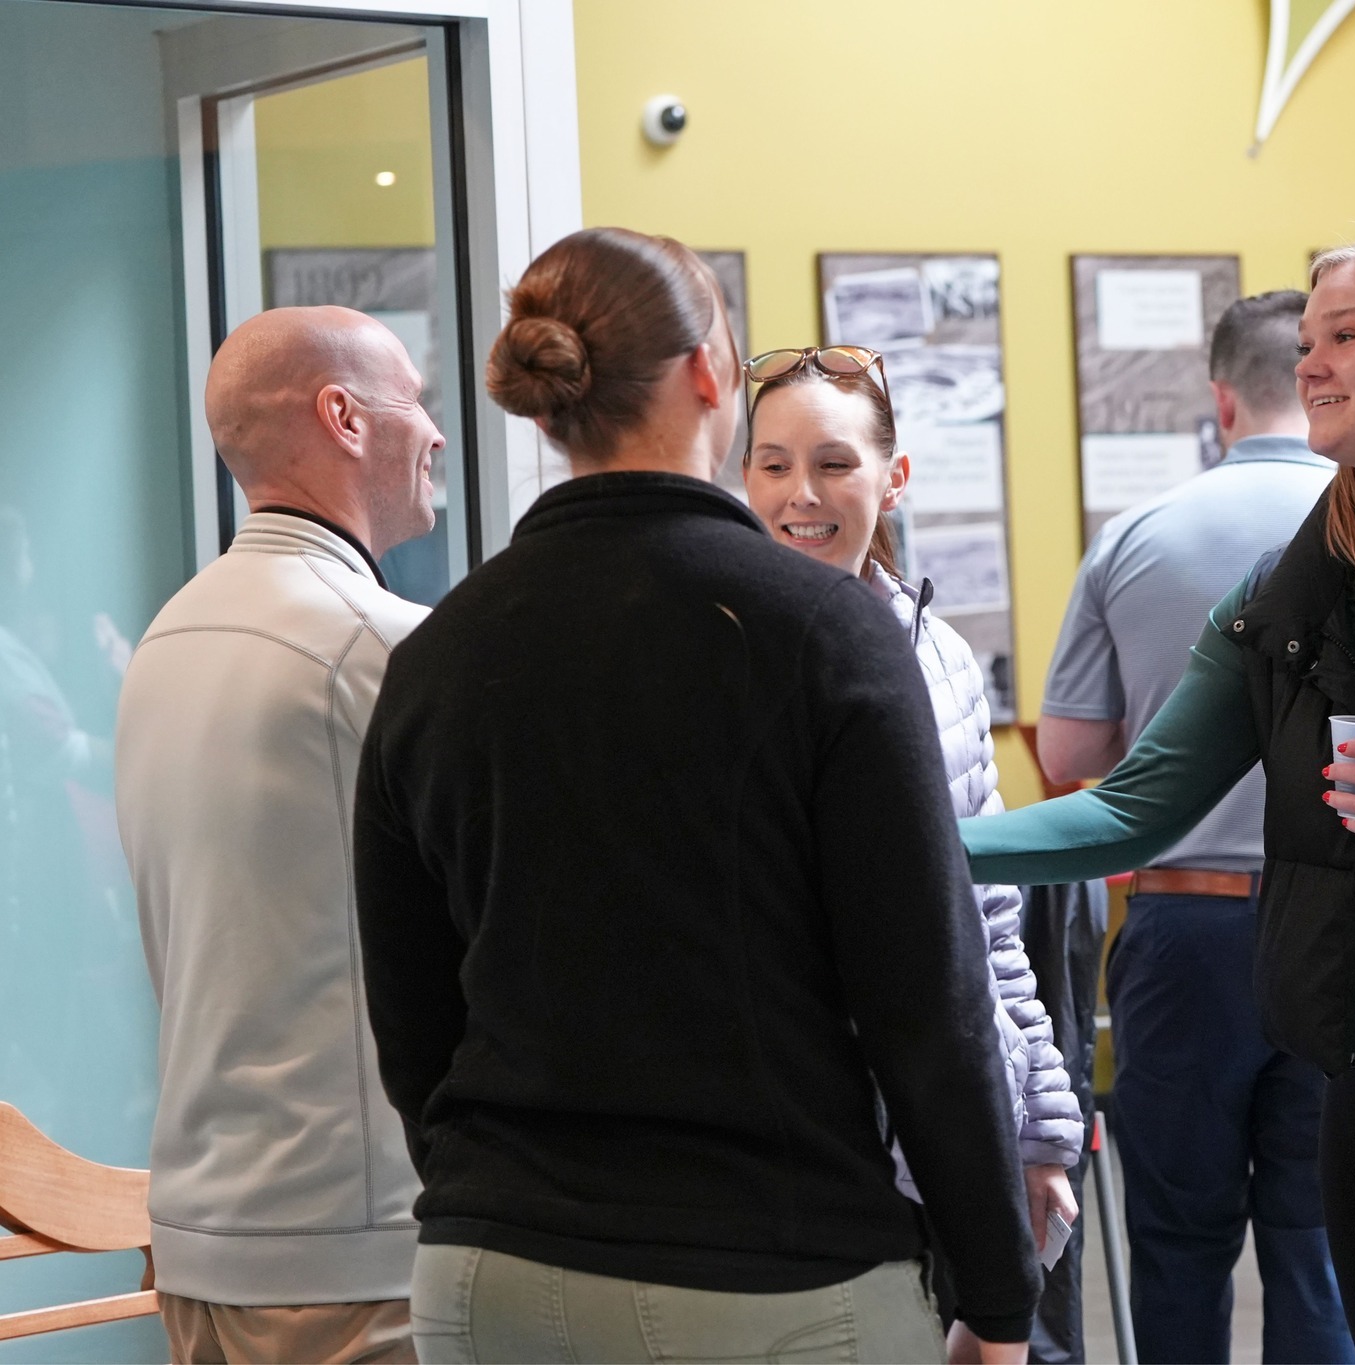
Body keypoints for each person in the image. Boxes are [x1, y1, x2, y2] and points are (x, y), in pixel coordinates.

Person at [350, 228, 1039, 1365]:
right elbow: (927, 1002)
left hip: (492, 1273)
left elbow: (412, 1015)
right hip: (775, 1274)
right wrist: (1000, 1298)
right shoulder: (825, 635)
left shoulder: (439, 651)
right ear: (710, 376)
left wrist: (507, 1195)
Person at [963, 235, 1355, 1363]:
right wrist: (910, 843)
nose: (1311, 367)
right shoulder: (1291, 585)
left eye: (1346, 336)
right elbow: (1129, 809)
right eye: (1305, 344)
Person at [739, 343, 1084, 1362]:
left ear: (894, 477)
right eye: (771, 463)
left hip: (950, 1134)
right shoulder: (726, 648)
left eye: (834, 463)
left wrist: (1038, 1127)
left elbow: (986, 921)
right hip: (799, 1156)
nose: (801, 494)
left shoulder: (936, 653)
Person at [115, 306, 442, 1364]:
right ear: (343, 418)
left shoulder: (168, 637)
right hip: (350, 1257)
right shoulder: (377, 649)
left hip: (202, 1243)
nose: (435, 433)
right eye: (415, 401)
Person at [1034, 290, 1351, 1365]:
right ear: (1316, 384)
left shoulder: (1136, 536)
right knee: (1324, 1247)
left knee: (1175, 1242)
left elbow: (1070, 765)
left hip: (1185, 934)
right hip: (1347, 929)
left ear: (1219, 399)